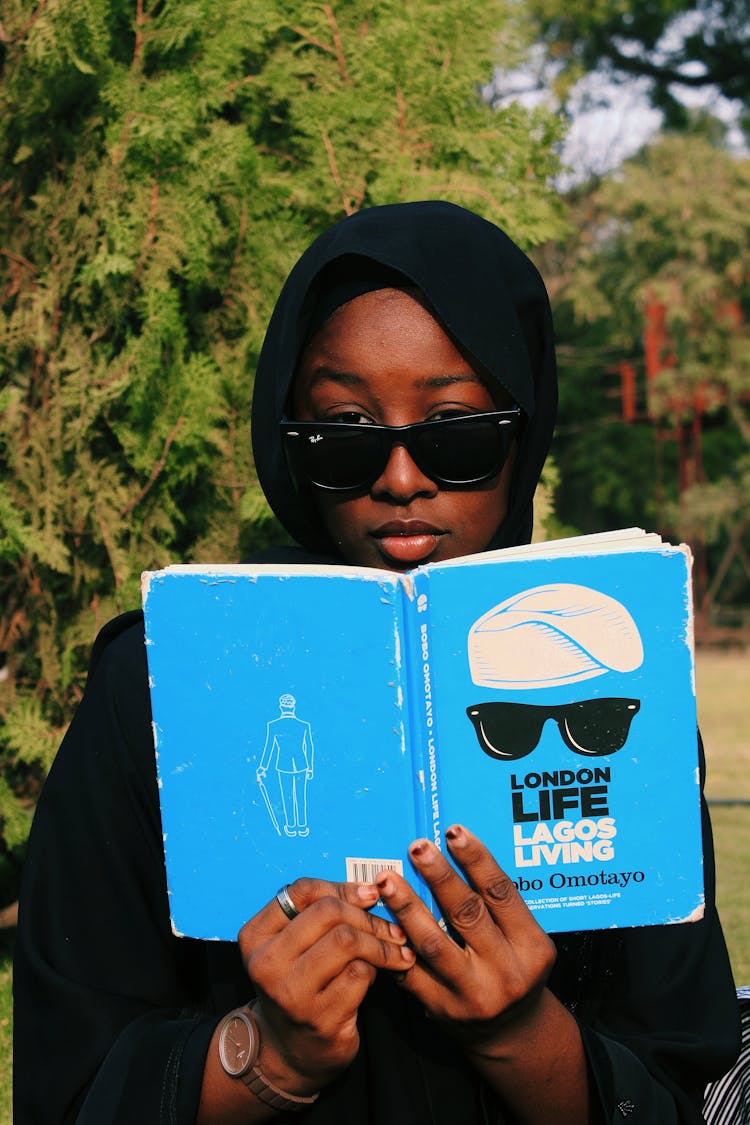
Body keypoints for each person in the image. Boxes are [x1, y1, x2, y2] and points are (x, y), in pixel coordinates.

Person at [13, 201, 740, 1124]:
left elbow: (679, 1086)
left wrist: (519, 1032)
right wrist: (266, 1053)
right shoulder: (151, 689)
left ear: (524, 436)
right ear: (290, 440)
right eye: (345, 432)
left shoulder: (618, 685)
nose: (400, 478)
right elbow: (68, 1084)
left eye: (456, 432)